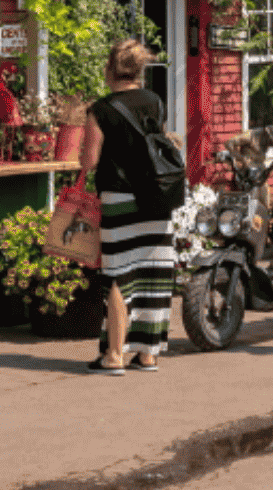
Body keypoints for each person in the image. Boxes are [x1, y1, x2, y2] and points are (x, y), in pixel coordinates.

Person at [78, 38, 177, 374]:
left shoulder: (101, 110)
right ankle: (148, 354)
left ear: (110, 69)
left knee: (118, 273)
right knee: (155, 271)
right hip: (157, 197)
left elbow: (90, 161)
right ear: (139, 70)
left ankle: (114, 355)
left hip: (119, 199)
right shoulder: (155, 102)